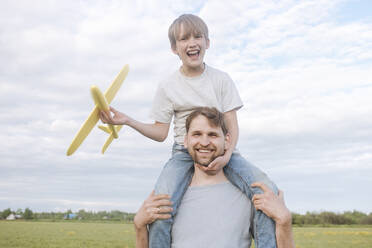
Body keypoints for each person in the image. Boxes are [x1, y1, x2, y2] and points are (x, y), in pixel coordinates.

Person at [100, 14, 278, 248]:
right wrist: (128, 121)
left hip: (223, 149)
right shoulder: (167, 85)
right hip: (184, 153)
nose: (192, 43)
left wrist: (226, 156)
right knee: (161, 208)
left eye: (197, 37)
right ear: (175, 48)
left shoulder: (221, 79)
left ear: (207, 43)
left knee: (267, 192)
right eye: (184, 39)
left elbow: (232, 125)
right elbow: (160, 132)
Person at [133, 107, 295, 248]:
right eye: (197, 134)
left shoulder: (252, 195)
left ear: (227, 140)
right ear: (186, 141)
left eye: (213, 135)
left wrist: (285, 222)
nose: (204, 142)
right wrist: (139, 226)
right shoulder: (166, 197)